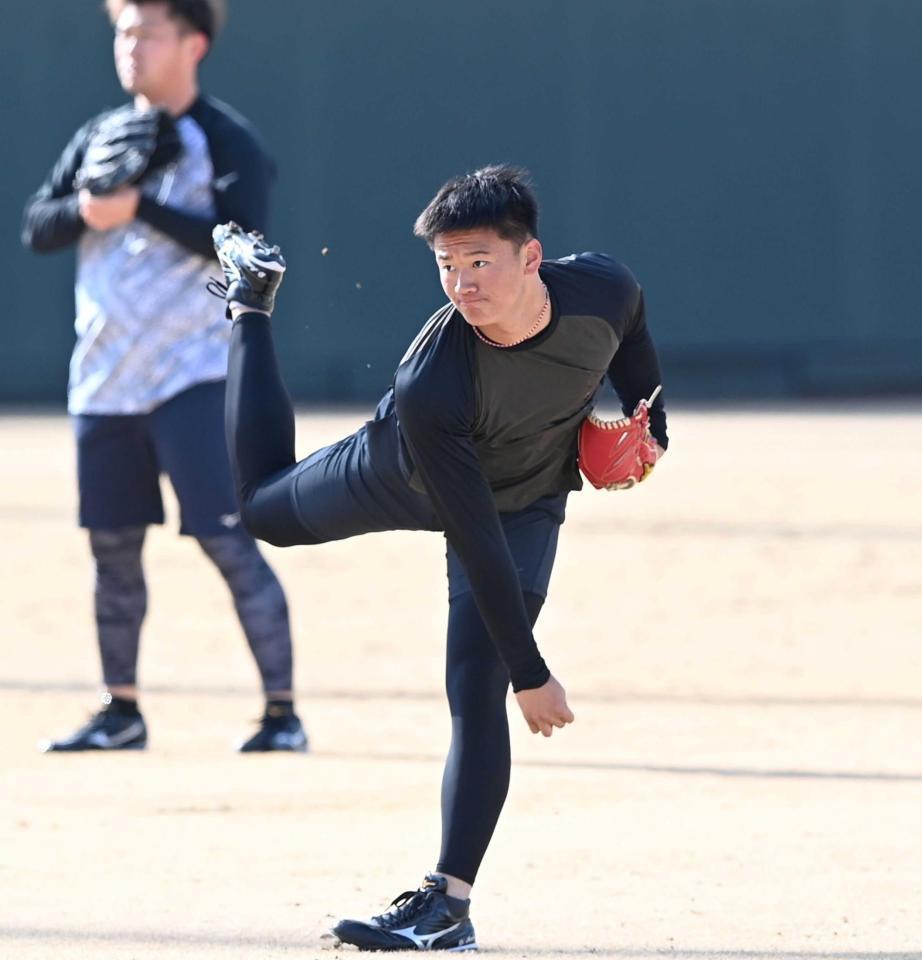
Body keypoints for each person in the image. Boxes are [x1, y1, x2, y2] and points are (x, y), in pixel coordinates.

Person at [211, 164, 668, 950]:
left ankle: (447, 907)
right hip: (405, 473)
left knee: (472, 688)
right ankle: (251, 302)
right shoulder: (435, 379)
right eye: (446, 266)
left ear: (531, 257)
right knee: (263, 513)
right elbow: (473, 532)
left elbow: (636, 355)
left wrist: (649, 425)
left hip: (526, 498)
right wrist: (532, 669)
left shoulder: (604, 290)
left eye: (478, 262)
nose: (461, 284)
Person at [21, 0, 306, 754]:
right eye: (123, 31)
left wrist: (141, 206)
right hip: (105, 377)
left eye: (148, 31)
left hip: (194, 372)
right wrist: (93, 208)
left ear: (194, 43)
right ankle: (121, 710)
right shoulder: (100, 135)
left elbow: (248, 243)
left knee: (228, 538)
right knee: (112, 547)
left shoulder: (223, 137)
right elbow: (38, 226)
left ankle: (282, 715)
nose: (131, 46)